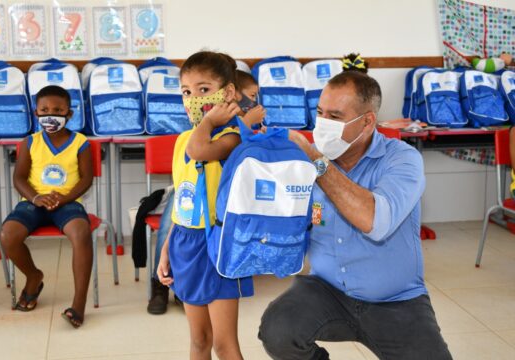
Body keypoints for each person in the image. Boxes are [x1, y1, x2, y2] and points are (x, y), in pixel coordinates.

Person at [258, 71, 452, 359]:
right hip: (326, 291)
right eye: (320, 113)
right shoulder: (304, 162)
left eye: (335, 117)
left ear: (367, 121)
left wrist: (316, 161)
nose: (323, 124)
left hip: (395, 301)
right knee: (277, 330)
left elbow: (374, 221)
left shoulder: (402, 159)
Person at [157, 51, 261, 359]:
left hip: (219, 244)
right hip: (185, 243)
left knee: (224, 345)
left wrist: (214, 119)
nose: (193, 99)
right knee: (199, 340)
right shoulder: (182, 141)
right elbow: (182, 199)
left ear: (227, 93)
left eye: (203, 90)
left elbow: (201, 150)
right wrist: (166, 248)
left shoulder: (232, 137)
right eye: (186, 92)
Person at [0, 85, 93, 328]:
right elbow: (19, 178)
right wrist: (35, 198)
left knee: (81, 233)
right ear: (36, 113)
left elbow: (86, 179)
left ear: (69, 114)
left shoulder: (81, 142)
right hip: (33, 202)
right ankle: (33, 276)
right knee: (7, 235)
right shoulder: (29, 142)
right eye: (44, 110)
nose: (50, 114)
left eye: (58, 110)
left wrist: (65, 198)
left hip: (68, 202)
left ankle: (79, 303)